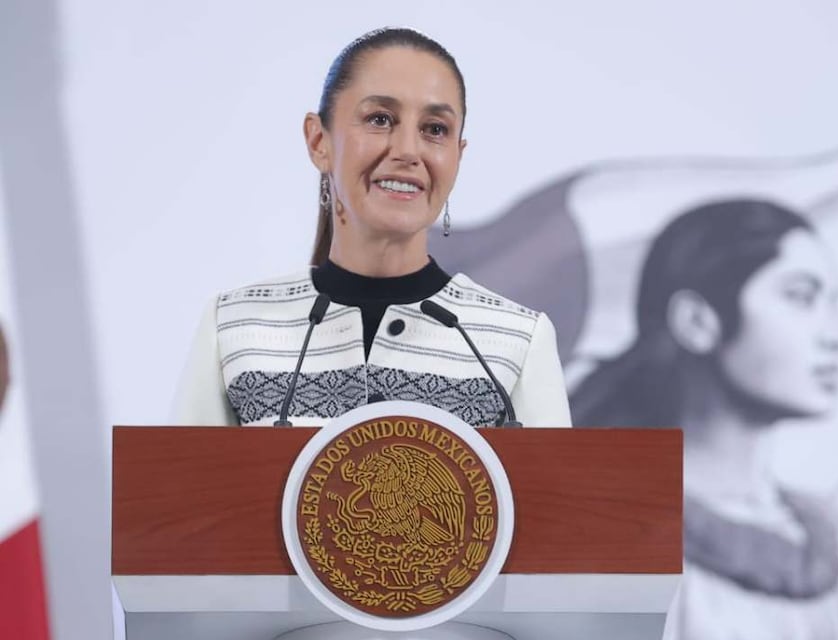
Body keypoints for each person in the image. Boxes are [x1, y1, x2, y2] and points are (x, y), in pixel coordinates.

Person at [571, 199, 838, 640]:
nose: (836, 334)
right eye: (800, 296)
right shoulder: (611, 535)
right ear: (698, 321)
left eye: (832, 302)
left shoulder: (835, 543)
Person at [173, 28, 570, 428]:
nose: (408, 151)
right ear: (318, 141)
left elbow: (552, 492)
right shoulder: (233, 327)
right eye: (380, 119)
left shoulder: (517, 340)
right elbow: (180, 489)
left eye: (435, 129)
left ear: (457, 156)